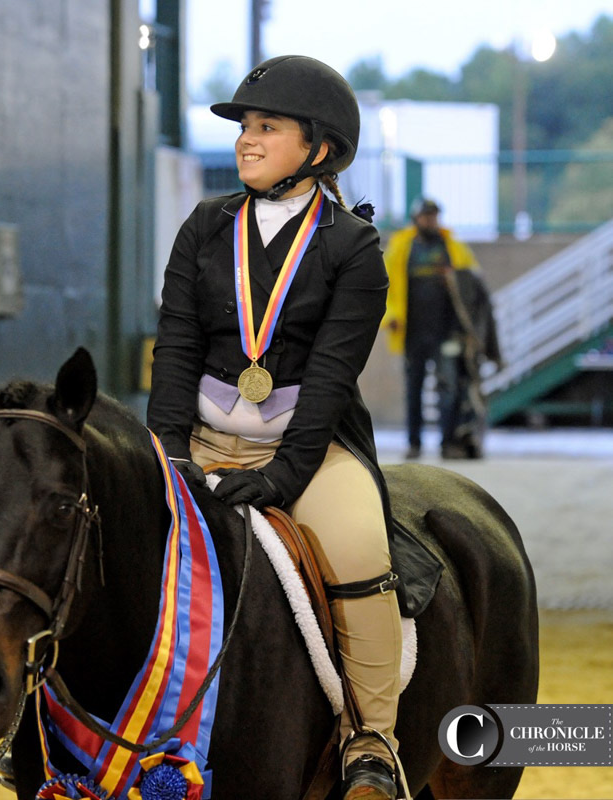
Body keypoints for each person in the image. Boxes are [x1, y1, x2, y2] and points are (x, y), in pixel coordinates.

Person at [148, 55, 401, 800]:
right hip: (197, 439)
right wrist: (165, 451)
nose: (247, 141)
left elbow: (328, 379)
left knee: (359, 551)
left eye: (267, 127)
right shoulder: (204, 226)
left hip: (307, 451)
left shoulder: (354, 251)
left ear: (317, 149)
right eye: (244, 128)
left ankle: (373, 738)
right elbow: (178, 345)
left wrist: (285, 476)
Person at [382, 197, 498, 459]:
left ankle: (448, 443)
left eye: (434, 216)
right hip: (412, 334)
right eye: (426, 216)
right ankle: (414, 444)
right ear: (416, 219)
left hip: (446, 334)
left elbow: (473, 284)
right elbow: (385, 287)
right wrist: (390, 316)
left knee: (450, 389)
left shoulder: (454, 248)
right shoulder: (400, 249)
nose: (430, 220)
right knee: (414, 389)